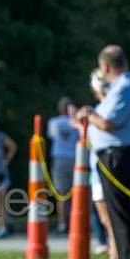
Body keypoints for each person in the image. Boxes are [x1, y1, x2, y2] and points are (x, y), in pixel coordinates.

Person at [77, 46, 130, 259]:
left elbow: (108, 124)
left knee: (119, 212)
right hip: (112, 154)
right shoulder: (120, 87)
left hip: (117, 155)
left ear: (105, 67)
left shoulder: (124, 87)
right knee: (117, 212)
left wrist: (89, 115)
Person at [87, 70, 117, 259]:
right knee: (106, 220)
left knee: (111, 220)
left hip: (106, 168)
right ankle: (114, 257)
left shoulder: (106, 110)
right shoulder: (100, 108)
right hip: (96, 170)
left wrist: (90, 116)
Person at [46, 97, 79, 232]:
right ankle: (75, 221)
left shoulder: (53, 122)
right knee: (76, 192)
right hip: (75, 158)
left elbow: (52, 136)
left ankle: (62, 223)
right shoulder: (75, 122)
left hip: (59, 159)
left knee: (61, 194)